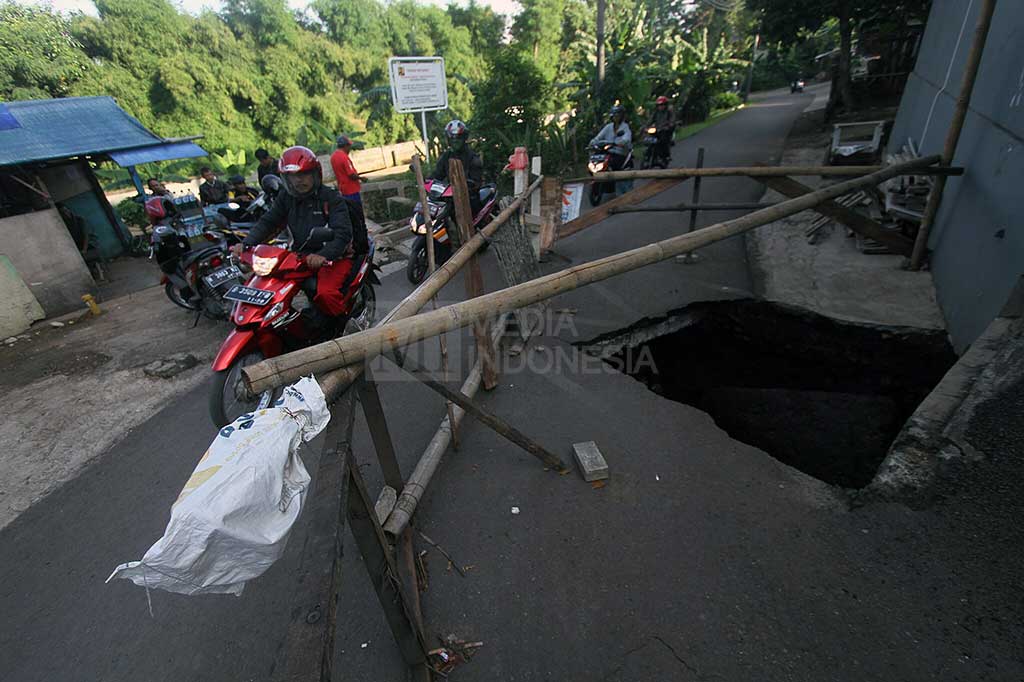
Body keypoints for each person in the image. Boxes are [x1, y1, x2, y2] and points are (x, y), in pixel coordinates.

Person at [232, 145, 365, 331]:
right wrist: (245, 245)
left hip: (334, 257)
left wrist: (324, 255)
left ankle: (347, 325)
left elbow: (343, 233)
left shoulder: (331, 197)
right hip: (299, 257)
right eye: (292, 177)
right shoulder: (286, 197)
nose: (297, 181)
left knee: (325, 294)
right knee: (271, 290)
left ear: (315, 174)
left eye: (303, 175)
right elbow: (268, 222)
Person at [429, 120, 483, 189]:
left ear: (464, 138)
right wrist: (428, 181)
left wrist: (468, 184)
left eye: (458, 137)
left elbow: (476, 182)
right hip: (450, 195)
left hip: (470, 196)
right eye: (452, 138)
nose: (455, 140)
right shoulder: (446, 157)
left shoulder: (473, 158)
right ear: (448, 140)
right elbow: (437, 175)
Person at [590, 105, 632, 171]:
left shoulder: (625, 127)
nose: (616, 117)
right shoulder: (608, 127)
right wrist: (593, 142)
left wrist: (621, 143)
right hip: (607, 152)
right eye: (614, 116)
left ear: (622, 116)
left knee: (613, 163)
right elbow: (598, 137)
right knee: (595, 160)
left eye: (618, 115)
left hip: (619, 153)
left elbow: (627, 138)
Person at [330, 135, 363, 204]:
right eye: (349, 146)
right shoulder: (344, 157)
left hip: (343, 190)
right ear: (345, 146)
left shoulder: (333, 157)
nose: (350, 148)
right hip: (352, 190)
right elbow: (351, 174)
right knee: (357, 211)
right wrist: (361, 178)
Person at [647, 96, 675, 164]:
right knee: (649, 139)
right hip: (657, 129)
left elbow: (672, 120)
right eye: (659, 105)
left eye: (662, 105)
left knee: (663, 140)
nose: (661, 106)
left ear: (665, 105)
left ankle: (666, 155)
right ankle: (648, 154)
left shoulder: (669, 112)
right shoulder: (656, 112)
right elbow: (650, 120)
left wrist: (669, 125)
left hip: (665, 130)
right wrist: (645, 126)